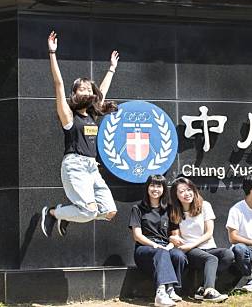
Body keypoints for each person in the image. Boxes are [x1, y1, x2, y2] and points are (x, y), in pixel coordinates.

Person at [40, 30, 119, 237]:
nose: (86, 91)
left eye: (88, 88)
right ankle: (53, 212)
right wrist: (52, 52)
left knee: (110, 212)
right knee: (90, 210)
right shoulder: (68, 116)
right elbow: (58, 84)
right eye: (81, 89)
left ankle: (68, 215)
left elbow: (101, 91)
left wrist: (111, 69)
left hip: (92, 168)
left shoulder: (92, 115)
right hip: (75, 166)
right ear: (74, 94)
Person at [169, 177, 232, 303]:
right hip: (189, 250)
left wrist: (193, 244)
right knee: (212, 259)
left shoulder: (205, 206)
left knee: (228, 255)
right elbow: (177, 237)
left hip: (207, 246)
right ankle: (210, 291)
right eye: (181, 192)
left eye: (188, 189)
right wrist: (184, 244)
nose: (186, 194)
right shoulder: (174, 211)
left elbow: (209, 233)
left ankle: (202, 289)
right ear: (176, 195)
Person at [130, 175, 188, 307]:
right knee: (161, 253)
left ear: (163, 189)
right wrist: (155, 245)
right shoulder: (138, 208)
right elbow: (137, 236)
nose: (155, 189)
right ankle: (161, 294)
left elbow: (175, 235)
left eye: (159, 186)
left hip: (165, 246)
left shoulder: (169, 209)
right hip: (145, 248)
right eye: (152, 185)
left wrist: (170, 245)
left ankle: (172, 289)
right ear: (147, 187)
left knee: (178, 255)